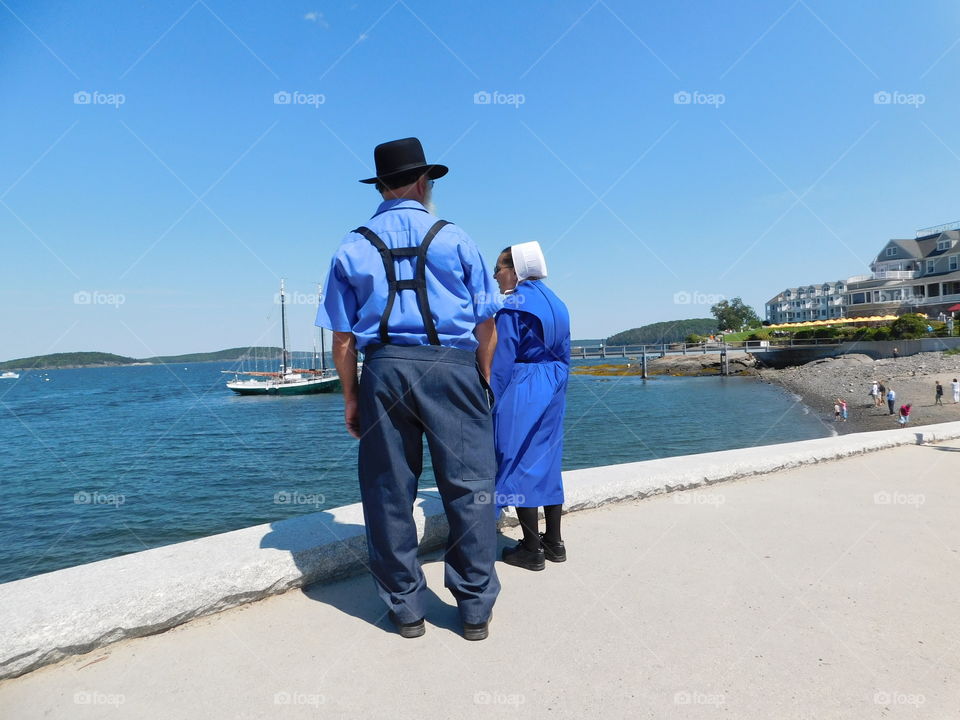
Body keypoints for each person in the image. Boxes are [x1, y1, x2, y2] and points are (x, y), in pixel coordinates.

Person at [315, 137, 501, 641]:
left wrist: (352, 397)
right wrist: (480, 376)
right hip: (453, 365)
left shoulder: (352, 244)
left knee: (388, 490)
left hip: (383, 368)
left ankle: (405, 609)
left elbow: (342, 338)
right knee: (469, 488)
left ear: (380, 185)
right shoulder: (456, 238)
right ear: (424, 181)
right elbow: (487, 323)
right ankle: (474, 608)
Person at [490, 241, 570, 572]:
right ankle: (555, 542)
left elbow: (502, 362)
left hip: (523, 382)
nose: (495, 276)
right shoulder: (557, 303)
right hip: (555, 381)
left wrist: (489, 400)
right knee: (547, 459)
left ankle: (531, 548)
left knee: (518, 458)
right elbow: (564, 353)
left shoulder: (514, 308)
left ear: (515, 270)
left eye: (499, 269)